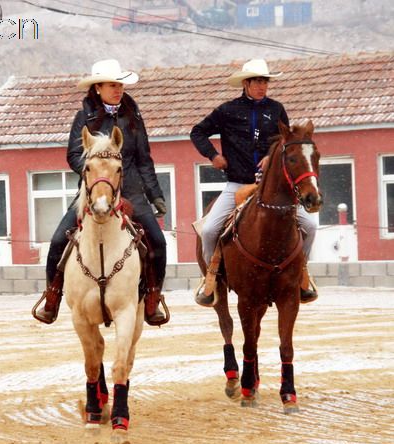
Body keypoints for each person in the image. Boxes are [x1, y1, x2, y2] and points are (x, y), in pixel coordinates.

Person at [32, 59, 169, 326]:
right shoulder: (84, 116)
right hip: (93, 191)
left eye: (120, 84)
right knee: (59, 239)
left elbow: (143, 159)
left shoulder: (133, 113)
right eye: (111, 85)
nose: (118, 89)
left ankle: (153, 298)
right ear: (97, 88)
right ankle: (52, 296)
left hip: (132, 191)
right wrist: (99, 176)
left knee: (158, 242)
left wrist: (155, 194)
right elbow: (73, 154)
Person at [190, 58, 318, 306]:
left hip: (274, 189)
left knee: (310, 227)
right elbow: (197, 132)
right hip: (237, 185)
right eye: (257, 81)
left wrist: (272, 156)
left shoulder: (276, 109)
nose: (261, 86)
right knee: (208, 230)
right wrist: (213, 155)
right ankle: (212, 278)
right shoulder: (227, 111)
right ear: (246, 83)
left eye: (265, 81)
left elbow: (286, 142)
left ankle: (301, 272)